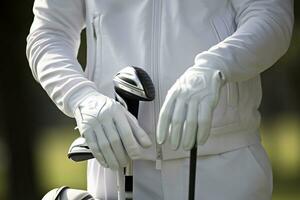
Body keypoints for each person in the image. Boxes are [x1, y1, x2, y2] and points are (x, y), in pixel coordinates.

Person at [26, 0, 294, 199]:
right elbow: (49, 33)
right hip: (116, 164)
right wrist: (81, 97)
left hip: (226, 165)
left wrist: (215, 67)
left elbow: (271, 15)